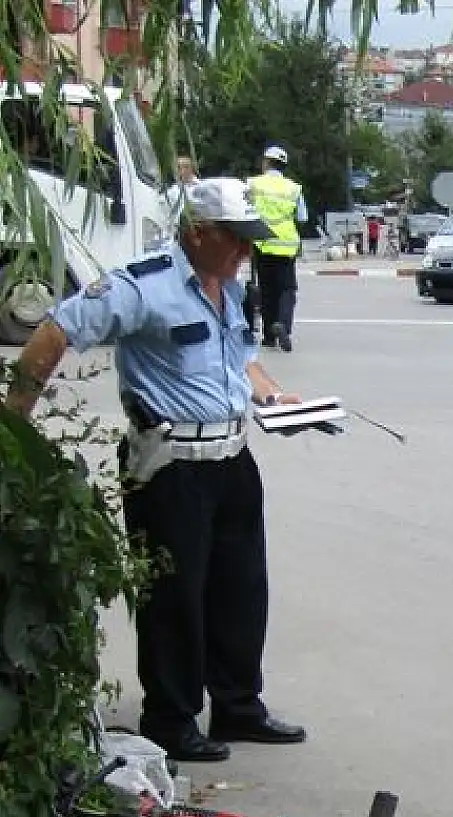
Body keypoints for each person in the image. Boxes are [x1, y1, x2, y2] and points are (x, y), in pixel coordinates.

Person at [4, 177, 309, 763]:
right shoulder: (142, 287)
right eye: (235, 239)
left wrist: (275, 398)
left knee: (241, 589)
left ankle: (238, 704)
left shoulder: (228, 287)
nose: (245, 252)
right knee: (174, 596)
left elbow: (243, 359)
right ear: (196, 233)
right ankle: (171, 718)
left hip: (232, 458)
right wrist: (12, 427)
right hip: (170, 467)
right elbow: (56, 331)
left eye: (249, 241)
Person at [246, 144, 308, 352]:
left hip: (261, 242)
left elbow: (244, 209)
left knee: (266, 289)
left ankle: (269, 336)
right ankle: (283, 324)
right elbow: (302, 217)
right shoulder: (293, 188)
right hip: (286, 245)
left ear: (266, 162)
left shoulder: (253, 184)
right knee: (287, 289)